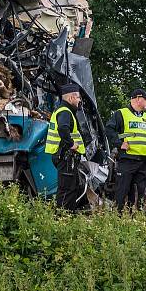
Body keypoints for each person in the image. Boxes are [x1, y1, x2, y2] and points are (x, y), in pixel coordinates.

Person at [105, 88, 146, 210]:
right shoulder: (121, 114)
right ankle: (117, 218)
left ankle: (136, 217)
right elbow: (109, 130)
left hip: (143, 162)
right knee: (122, 191)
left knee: (139, 193)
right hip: (127, 160)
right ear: (138, 99)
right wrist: (119, 144)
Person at [44, 83, 86, 211]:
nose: (79, 101)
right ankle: (62, 218)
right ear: (71, 98)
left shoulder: (63, 111)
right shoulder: (65, 112)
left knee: (70, 187)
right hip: (66, 156)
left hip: (65, 156)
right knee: (66, 189)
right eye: (78, 98)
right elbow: (63, 128)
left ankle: (67, 216)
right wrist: (71, 144)